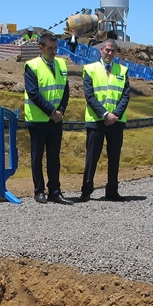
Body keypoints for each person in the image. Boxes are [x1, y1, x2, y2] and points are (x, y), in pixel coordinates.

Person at [79, 39, 130, 202]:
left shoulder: (122, 70)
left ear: (116, 52)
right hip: (96, 120)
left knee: (114, 157)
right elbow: (90, 95)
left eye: (112, 51)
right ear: (101, 50)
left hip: (116, 120)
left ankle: (112, 191)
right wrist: (104, 114)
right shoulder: (90, 69)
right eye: (107, 50)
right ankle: (86, 191)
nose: (109, 53)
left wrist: (115, 114)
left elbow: (126, 95)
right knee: (92, 157)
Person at [24, 33, 72, 205]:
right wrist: (52, 111)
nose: (53, 52)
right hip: (38, 120)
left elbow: (65, 91)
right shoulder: (32, 66)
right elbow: (33, 93)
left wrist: (61, 111)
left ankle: (55, 191)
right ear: (41, 48)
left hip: (55, 120)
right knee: (37, 157)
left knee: (54, 157)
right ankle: (39, 191)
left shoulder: (61, 64)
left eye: (55, 48)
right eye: (50, 48)